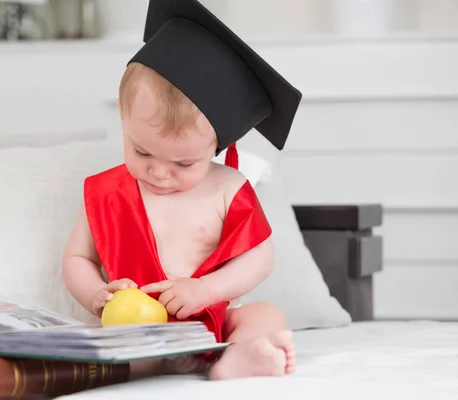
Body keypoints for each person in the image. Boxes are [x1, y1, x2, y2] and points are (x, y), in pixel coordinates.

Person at [61, 0, 302, 381]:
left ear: (216, 147)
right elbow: (77, 258)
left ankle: (236, 360)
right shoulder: (106, 191)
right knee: (86, 342)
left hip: (209, 326)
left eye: (184, 164)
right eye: (142, 151)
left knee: (263, 315)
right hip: (133, 330)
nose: (158, 172)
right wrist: (96, 295)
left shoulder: (227, 187)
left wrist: (206, 291)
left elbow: (260, 258)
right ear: (124, 121)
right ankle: (144, 364)